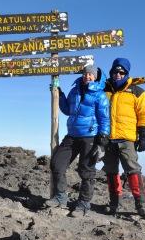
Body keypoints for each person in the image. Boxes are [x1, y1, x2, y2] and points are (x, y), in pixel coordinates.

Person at [45, 65, 110, 217]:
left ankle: (83, 204)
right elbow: (68, 110)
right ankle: (60, 197)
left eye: (91, 74)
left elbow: (105, 119)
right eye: (86, 73)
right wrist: (60, 95)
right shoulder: (75, 90)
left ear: (95, 77)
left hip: (90, 136)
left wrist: (103, 139)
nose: (87, 76)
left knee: (86, 171)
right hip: (72, 135)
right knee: (57, 163)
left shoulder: (100, 95)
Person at [103, 58, 145, 216]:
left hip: (127, 139)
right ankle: (114, 203)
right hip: (107, 138)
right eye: (115, 71)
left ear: (126, 73)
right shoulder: (104, 90)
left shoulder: (138, 92)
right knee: (111, 171)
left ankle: (142, 205)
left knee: (133, 170)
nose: (117, 74)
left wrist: (143, 136)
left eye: (121, 72)